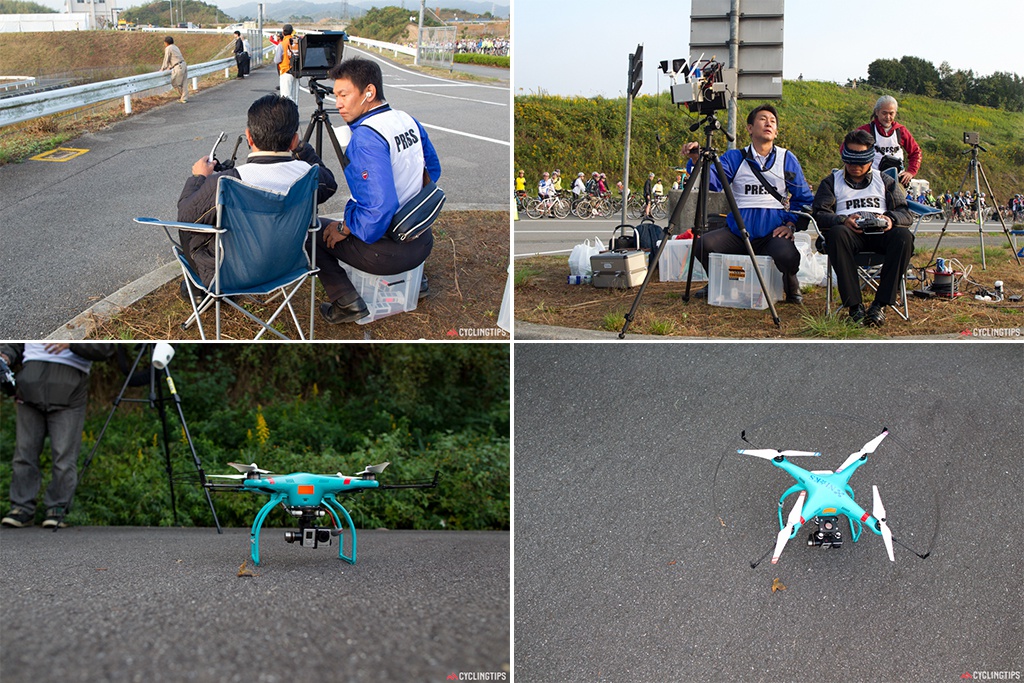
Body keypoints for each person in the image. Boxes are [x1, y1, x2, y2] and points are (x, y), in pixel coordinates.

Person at [312, 58, 441, 324]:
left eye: (344, 95)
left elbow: (376, 215)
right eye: (335, 96)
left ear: (368, 92)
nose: (337, 103)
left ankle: (346, 302)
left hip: (387, 255)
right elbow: (433, 170)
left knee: (313, 231)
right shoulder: (407, 119)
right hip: (421, 241)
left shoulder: (366, 138)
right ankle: (418, 283)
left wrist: (344, 226)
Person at [176, 94, 338, 293]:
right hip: (287, 267)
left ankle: (198, 290)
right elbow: (330, 184)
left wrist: (198, 177)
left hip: (229, 275)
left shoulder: (228, 180)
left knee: (195, 224)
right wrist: (303, 150)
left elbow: (185, 216)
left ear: (249, 137)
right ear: (294, 140)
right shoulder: (309, 175)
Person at [683, 104, 815, 304]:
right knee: (702, 245)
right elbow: (713, 182)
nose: (768, 123)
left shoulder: (786, 158)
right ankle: (721, 282)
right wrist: (696, 160)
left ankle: (790, 281)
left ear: (777, 132)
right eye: (762, 119)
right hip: (738, 232)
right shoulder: (735, 157)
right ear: (750, 128)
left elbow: (804, 198)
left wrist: (790, 224)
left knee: (788, 256)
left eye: (772, 121)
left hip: (772, 233)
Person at [0, 343, 116, 529]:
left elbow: (105, 348)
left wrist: (72, 344)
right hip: (30, 386)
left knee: (64, 455)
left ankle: (57, 507)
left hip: (69, 391)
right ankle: (21, 508)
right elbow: (15, 343)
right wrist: (5, 355)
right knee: (24, 453)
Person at [812, 129, 914, 327]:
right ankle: (854, 306)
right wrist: (842, 220)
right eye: (849, 160)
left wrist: (890, 219)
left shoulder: (884, 180)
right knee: (836, 233)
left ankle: (880, 305)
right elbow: (820, 214)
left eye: (860, 161)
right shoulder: (831, 182)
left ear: (870, 159)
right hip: (850, 234)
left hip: (881, 233)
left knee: (904, 237)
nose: (854, 166)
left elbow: (905, 213)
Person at [857, 95, 921, 187]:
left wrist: (911, 172)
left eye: (891, 113)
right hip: (872, 180)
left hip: (896, 180)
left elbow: (916, 152)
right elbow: (846, 148)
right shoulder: (866, 130)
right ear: (877, 112)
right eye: (884, 113)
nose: (888, 117)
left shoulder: (901, 131)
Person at [274, 24, 300, 102]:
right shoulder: (297, 43)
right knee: (295, 97)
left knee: (286, 96)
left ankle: (287, 113)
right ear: (292, 32)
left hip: (285, 71)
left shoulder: (282, 44)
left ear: (283, 33)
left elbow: (277, 60)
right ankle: (295, 112)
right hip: (297, 71)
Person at [160, 36, 188, 103]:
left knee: (175, 83)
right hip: (183, 64)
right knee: (184, 83)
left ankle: (183, 97)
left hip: (178, 67)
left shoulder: (168, 48)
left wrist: (162, 68)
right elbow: (174, 57)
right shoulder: (175, 47)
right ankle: (184, 98)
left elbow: (166, 58)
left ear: (166, 43)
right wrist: (170, 67)